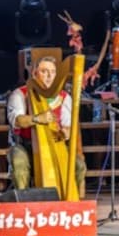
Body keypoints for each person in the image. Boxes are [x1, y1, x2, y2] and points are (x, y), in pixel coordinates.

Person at [6, 56, 86, 193]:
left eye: (53, 72)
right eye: (44, 71)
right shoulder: (20, 94)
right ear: (34, 73)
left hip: (55, 145)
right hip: (25, 145)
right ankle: (23, 202)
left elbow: (68, 126)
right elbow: (17, 121)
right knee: (19, 160)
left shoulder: (64, 97)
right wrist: (37, 118)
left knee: (78, 165)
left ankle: (72, 205)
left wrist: (65, 132)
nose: (49, 76)